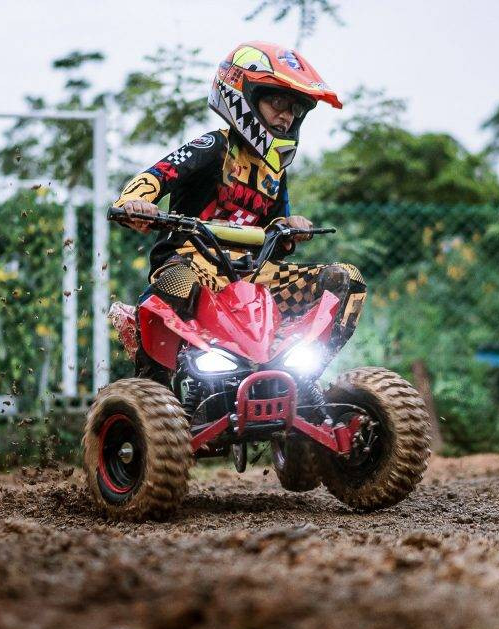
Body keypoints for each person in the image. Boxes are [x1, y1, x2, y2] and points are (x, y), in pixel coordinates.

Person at [112, 41, 365, 380]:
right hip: (194, 264)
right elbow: (159, 174)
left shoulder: (275, 170)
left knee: (347, 279)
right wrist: (134, 202)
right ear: (244, 95)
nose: (287, 115)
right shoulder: (213, 146)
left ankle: (302, 378)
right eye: (278, 102)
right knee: (178, 281)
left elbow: (277, 226)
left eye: (295, 108)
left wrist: (289, 225)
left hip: (253, 275)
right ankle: (153, 383)